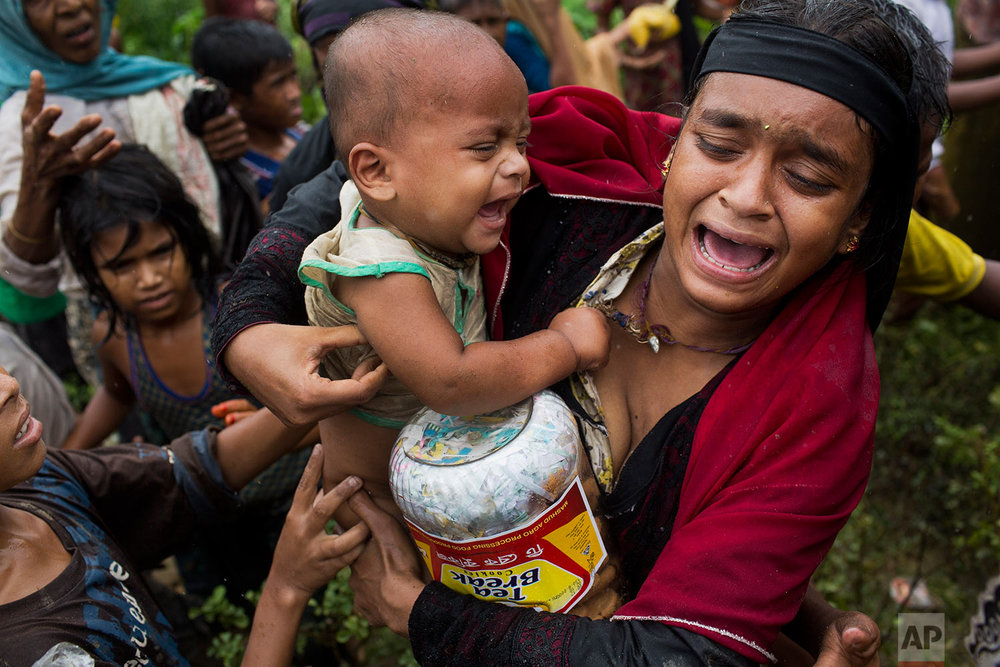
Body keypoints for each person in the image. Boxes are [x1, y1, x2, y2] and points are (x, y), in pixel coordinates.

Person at [215, 0, 918, 661]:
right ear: (676, 139)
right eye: (718, 143)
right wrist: (247, 333)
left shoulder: (814, 408)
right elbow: (355, 178)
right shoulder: (557, 172)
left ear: (860, 218)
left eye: (807, 176)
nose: (747, 195)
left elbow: (679, 651)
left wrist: (421, 612)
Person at [299, 9, 609, 521]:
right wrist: (566, 347)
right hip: (381, 497)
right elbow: (452, 382)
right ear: (376, 171)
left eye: (521, 143)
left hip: (436, 460)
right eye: (485, 148)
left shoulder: (420, 211)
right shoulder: (382, 270)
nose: (518, 165)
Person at [0, 363, 369, 666]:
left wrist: (317, 394)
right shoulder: (37, 655)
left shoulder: (37, 481)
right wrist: (286, 586)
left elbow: (191, 471)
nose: (8, 387)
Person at [0, 0, 245, 390]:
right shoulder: (21, 122)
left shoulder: (162, 85)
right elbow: (29, 277)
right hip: (113, 323)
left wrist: (225, 136)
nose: (71, 5)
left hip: (206, 297)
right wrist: (38, 186)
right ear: (16, 19)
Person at [56, 146, 236, 451]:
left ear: (186, 237)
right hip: (210, 496)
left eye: (161, 251)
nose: (150, 279)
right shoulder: (115, 337)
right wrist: (55, 466)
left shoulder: (233, 305)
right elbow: (117, 395)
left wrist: (264, 418)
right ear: (92, 272)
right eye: (122, 266)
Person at [191, 17, 307, 213]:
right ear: (235, 98)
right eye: (278, 83)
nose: (295, 93)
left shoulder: (301, 132)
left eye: (293, 76)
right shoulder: (244, 172)